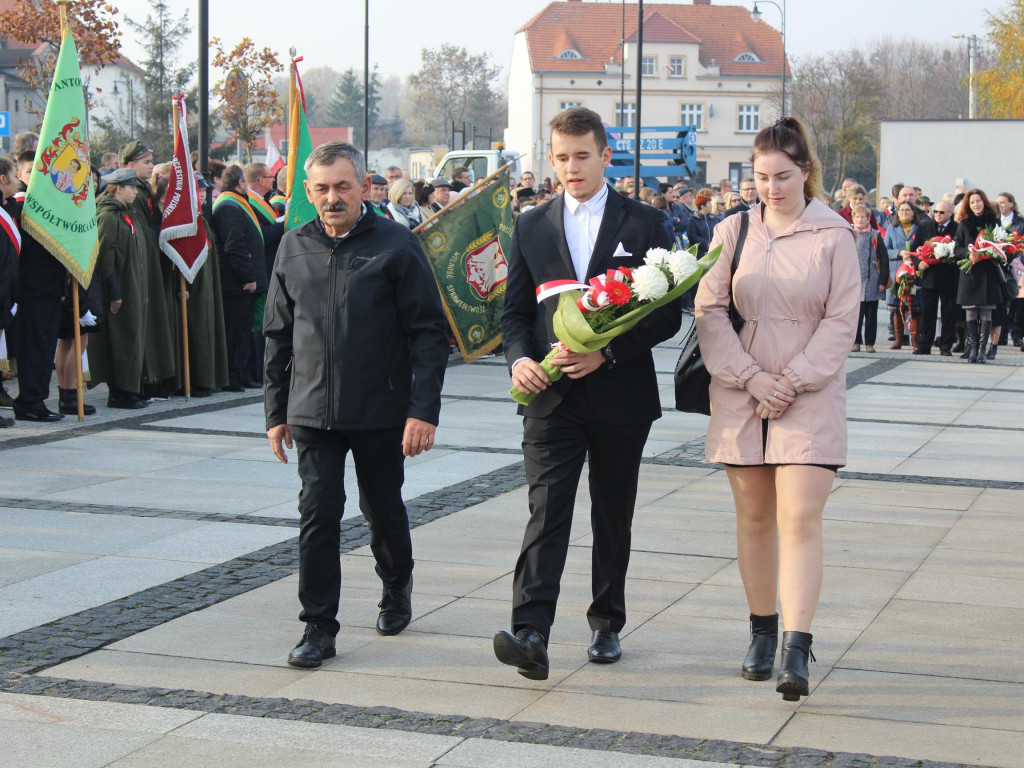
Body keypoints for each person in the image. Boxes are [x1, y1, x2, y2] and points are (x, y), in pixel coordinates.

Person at [494, 107, 679, 680]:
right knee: (546, 509)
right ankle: (531, 632)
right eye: (561, 157)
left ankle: (606, 624)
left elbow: (668, 314)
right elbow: (515, 313)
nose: (571, 167)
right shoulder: (529, 224)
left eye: (581, 155)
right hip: (551, 396)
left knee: (612, 511)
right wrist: (519, 358)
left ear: (604, 155)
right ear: (550, 160)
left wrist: (608, 352)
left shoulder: (645, 222)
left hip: (620, 394)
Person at [264, 141, 448, 668]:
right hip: (312, 411)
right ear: (307, 192)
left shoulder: (397, 245)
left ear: (363, 187)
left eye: (343, 186)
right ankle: (318, 626)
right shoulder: (292, 246)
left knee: (382, 509)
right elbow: (277, 336)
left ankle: (396, 584)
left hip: (380, 410)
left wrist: (423, 410)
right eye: (321, 189)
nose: (332, 197)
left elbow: (428, 334)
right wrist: (276, 412)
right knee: (318, 513)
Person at [694, 115, 859, 702]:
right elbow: (709, 312)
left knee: (799, 518)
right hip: (742, 391)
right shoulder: (732, 232)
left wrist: (790, 380)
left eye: (783, 176)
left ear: (806, 172)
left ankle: (796, 647)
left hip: (808, 396)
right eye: (761, 177)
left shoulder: (835, 235)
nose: (771, 188)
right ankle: (761, 632)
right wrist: (750, 378)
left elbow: (843, 321)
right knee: (755, 518)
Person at [88, 168, 149, 409]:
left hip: (133, 287)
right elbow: (105, 257)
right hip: (120, 290)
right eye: (131, 187)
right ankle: (120, 392)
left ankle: (131, 388)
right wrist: (114, 292)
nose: (135, 191)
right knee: (122, 339)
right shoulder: (109, 216)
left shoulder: (127, 213)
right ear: (118, 188)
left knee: (132, 338)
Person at [122, 140, 177, 398]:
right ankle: (144, 381)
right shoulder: (132, 193)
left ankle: (154, 378)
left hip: (153, 264)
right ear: (130, 165)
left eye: (151, 161)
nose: (151, 166)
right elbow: (140, 230)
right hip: (142, 266)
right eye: (146, 162)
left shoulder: (143, 190)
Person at [213, 164, 266, 391]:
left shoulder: (236, 204)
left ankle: (242, 374)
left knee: (243, 331)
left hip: (241, 283)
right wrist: (248, 276)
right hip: (236, 284)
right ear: (241, 184)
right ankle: (232, 376)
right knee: (234, 333)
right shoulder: (229, 206)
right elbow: (234, 246)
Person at [955, 189, 1001, 363]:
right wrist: (969, 254)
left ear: (984, 202)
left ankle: (982, 350)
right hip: (970, 273)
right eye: (973, 202)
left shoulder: (994, 222)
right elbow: (957, 247)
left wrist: (993, 253)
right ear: (969, 205)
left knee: (986, 313)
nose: (976, 204)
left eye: (979, 201)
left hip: (988, 273)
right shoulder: (964, 223)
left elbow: (1003, 245)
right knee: (971, 314)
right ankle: (972, 349)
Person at [914, 199, 959, 355]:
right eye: (936, 212)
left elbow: (960, 250)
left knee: (948, 312)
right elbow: (915, 249)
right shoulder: (924, 226)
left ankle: (945, 346)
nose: (938, 215)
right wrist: (919, 262)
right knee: (927, 312)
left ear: (950, 214)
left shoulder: (957, 229)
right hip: (929, 277)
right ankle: (924, 345)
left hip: (949, 276)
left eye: (942, 212)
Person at [883, 200, 929, 350]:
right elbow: (885, 250)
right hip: (897, 270)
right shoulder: (892, 228)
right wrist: (899, 253)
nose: (904, 212)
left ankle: (915, 340)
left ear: (913, 212)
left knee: (914, 306)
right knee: (897, 307)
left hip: (914, 270)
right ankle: (898, 339)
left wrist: (915, 256)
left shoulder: (920, 228)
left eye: (907, 210)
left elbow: (925, 246)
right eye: (901, 210)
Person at [850, 204, 889, 353]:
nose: (860, 219)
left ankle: (870, 343)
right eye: (857, 216)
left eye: (863, 217)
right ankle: (856, 341)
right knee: (856, 316)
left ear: (868, 219)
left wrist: (882, 281)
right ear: (853, 218)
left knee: (872, 316)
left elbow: (884, 259)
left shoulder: (875, 235)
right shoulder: (850, 234)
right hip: (855, 281)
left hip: (872, 280)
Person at [994, 192, 1024, 354]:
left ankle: (1017, 333)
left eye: (1003, 202)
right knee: (1002, 300)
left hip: (1018, 265)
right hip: (1000, 264)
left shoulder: (1020, 223)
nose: (1000, 205)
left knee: (1017, 302)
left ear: (1011, 203)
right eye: (998, 202)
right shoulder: (994, 222)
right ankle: (1003, 334)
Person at [686, 192, 718, 257]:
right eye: (709, 204)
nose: (711, 206)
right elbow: (693, 236)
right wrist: (706, 244)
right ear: (702, 206)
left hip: (713, 251)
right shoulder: (693, 219)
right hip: (699, 254)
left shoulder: (714, 219)